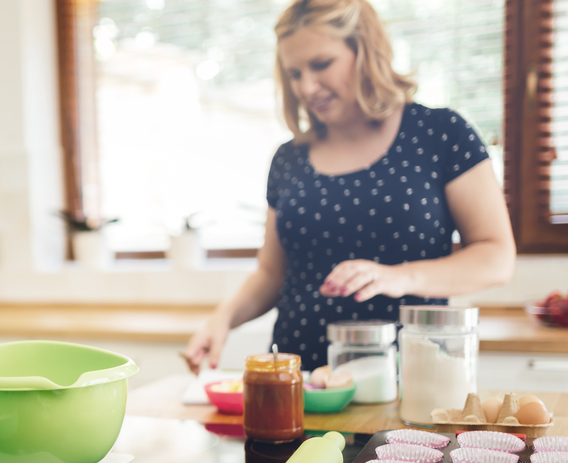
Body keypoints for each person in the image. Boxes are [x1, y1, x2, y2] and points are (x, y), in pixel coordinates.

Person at [185, 0, 515, 373]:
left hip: (408, 377)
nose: (307, 87)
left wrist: (398, 275)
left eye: (321, 64)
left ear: (366, 51)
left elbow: (496, 256)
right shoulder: (287, 159)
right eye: (294, 73)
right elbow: (272, 273)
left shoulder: (441, 134)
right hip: (300, 381)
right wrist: (222, 318)